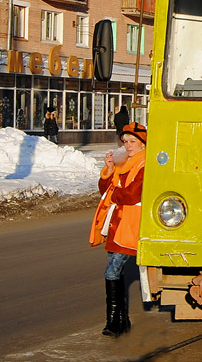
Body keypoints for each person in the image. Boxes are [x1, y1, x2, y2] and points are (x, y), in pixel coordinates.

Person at [89, 122, 146, 337]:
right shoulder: (125, 162)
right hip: (117, 222)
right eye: (125, 141)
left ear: (142, 144)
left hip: (131, 223)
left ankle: (113, 322)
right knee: (116, 271)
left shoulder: (145, 164)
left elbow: (132, 194)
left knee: (112, 271)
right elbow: (105, 190)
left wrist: (114, 195)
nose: (128, 145)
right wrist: (110, 169)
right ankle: (121, 320)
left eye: (133, 142)